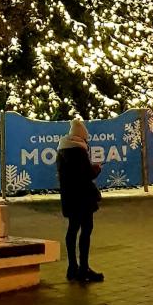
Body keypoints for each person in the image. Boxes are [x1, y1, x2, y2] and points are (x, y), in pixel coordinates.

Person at [57, 117, 104, 283]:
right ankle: (83, 268)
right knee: (86, 230)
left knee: (72, 230)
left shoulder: (63, 150)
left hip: (70, 198)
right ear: (81, 137)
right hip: (83, 199)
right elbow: (86, 175)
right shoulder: (78, 151)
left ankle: (72, 267)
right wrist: (97, 169)